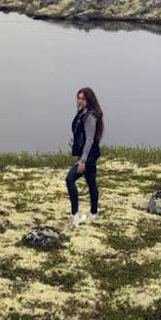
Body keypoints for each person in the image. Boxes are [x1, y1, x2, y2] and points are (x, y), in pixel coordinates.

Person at [66, 87, 104, 226]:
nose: (80, 101)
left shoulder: (90, 117)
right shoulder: (84, 113)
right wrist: (75, 139)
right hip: (91, 154)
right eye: (79, 98)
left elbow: (90, 139)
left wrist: (83, 160)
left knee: (70, 179)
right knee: (91, 182)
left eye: (83, 99)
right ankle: (94, 214)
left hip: (88, 156)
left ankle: (75, 216)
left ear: (89, 100)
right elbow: (83, 134)